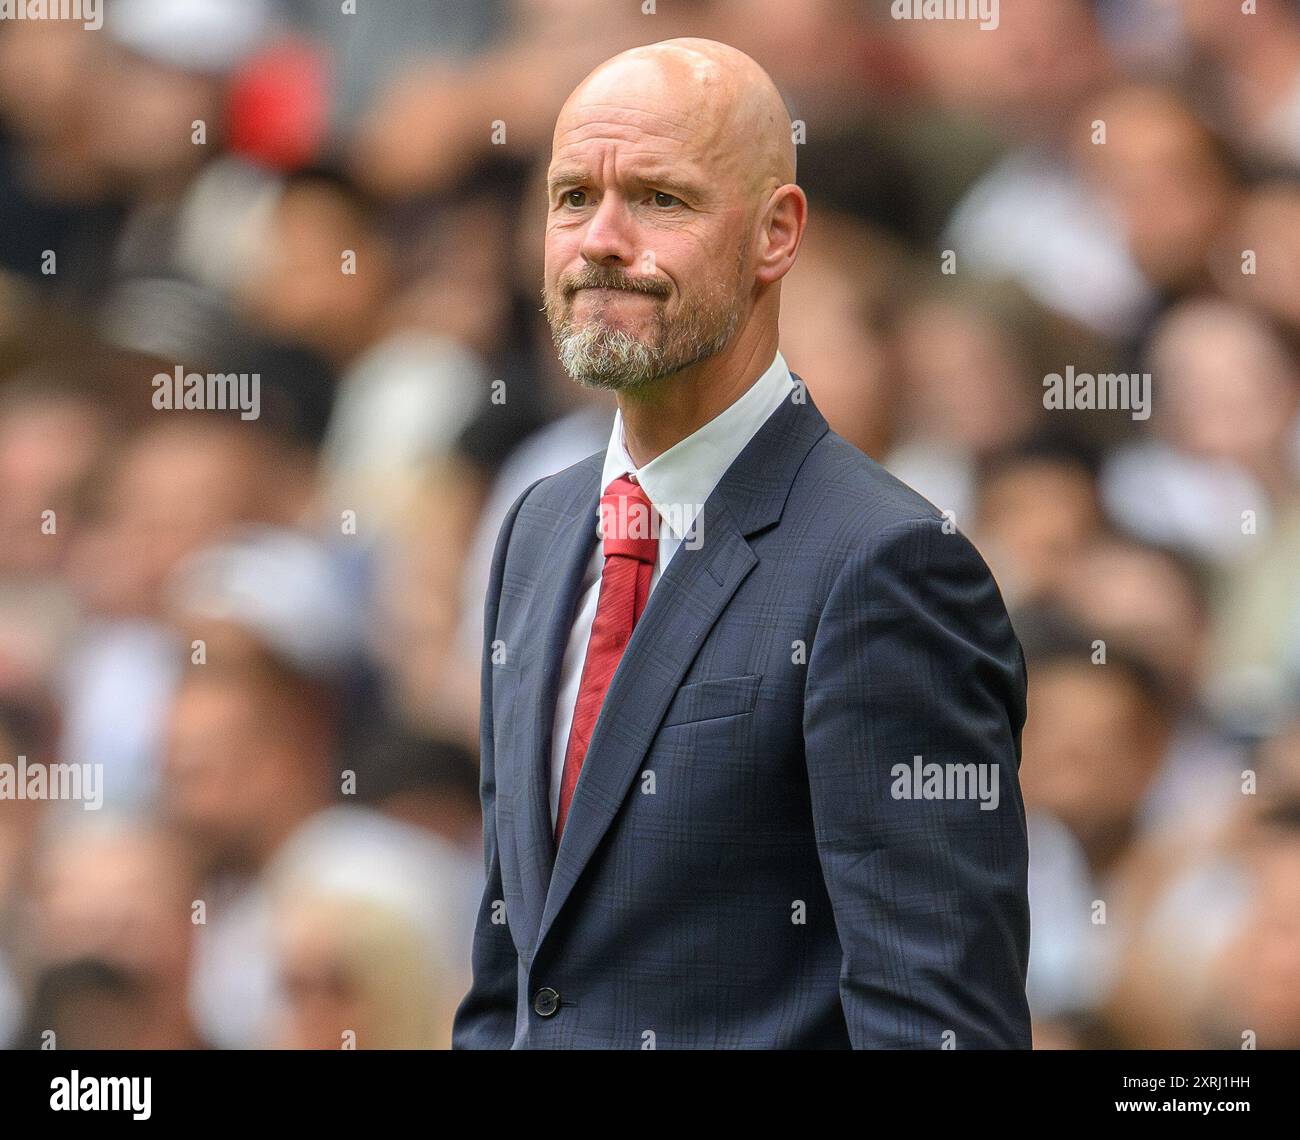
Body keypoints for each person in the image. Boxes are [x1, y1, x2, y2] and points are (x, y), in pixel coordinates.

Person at [453, 38, 1030, 1050]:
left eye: (661, 201)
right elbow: (513, 987)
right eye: (573, 195)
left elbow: (937, 1026)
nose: (600, 240)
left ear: (776, 234)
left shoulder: (886, 565)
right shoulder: (536, 530)